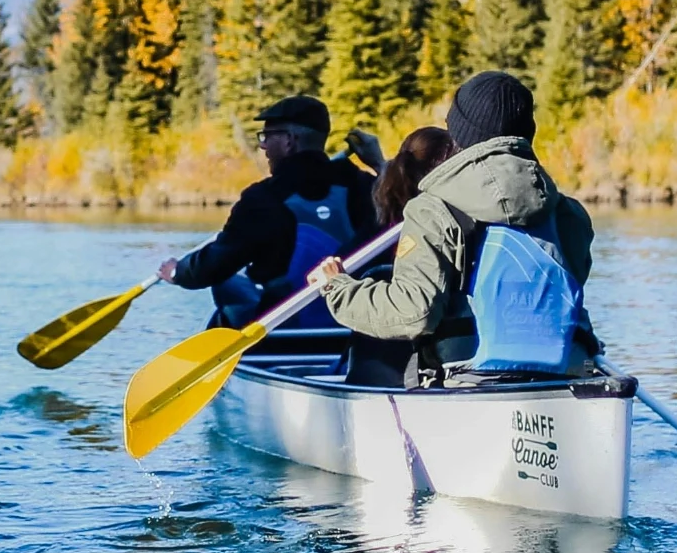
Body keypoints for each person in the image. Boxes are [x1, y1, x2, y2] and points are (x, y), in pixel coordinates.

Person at [311, 69, 598, 375]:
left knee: (382, 278)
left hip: (469, 379)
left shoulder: (431, 210)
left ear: (460, 135)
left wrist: (338, 289)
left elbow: (413, 313)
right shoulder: (569, 213)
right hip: (563, 373)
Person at [159, 92, 384, 334]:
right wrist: (381, 165)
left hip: (283, 333)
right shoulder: (368, 188)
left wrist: (178, 271)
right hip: (353, 332)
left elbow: (213, 267)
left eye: (267, 136)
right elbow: (408, 207)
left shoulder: (263, 199)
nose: (263, 145)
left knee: (226, 285)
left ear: (289, 140)